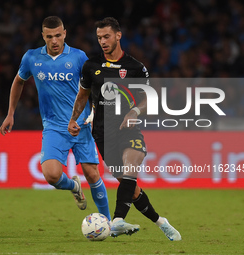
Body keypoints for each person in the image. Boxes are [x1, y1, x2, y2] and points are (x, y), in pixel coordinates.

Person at [68, 17, 181, 240]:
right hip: (102, 132)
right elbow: (82, 96)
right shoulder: (91, 66)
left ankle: (117, 220)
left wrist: (134, 112)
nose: (102, 41)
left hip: (128, 128)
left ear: (118, 35)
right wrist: (74, 119)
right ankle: (161, 221)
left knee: (132, 164)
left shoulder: (136, 68)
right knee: (131, 187)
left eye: (106, 36)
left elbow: (148, 99)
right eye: (99, 37)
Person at [0, 16, 111, 221]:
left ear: (64, 34)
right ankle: (73, 186)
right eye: (49, 36)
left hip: (80, 125)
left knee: (93, 174)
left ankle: (108, 223)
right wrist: (10, 113)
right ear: (43, 36)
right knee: (51, 175)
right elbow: (18, 82)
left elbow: (94, 86)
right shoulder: (32, 58)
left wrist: (94, 114)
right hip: (53, 127)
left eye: (58, 35)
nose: (54, 41)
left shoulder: (78, 57)